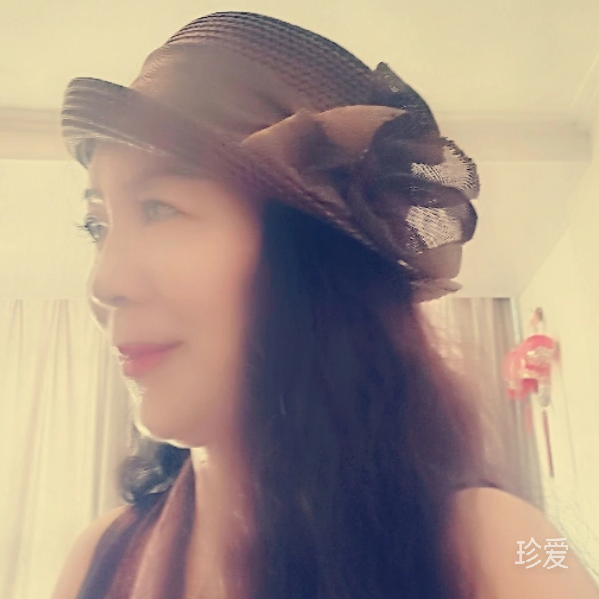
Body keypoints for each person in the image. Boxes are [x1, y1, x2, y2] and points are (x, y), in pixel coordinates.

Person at [51, 11, 599, 599]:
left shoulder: (493, 549)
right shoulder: (103, 557)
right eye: (96, 225)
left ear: (309, 263)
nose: (104, 282)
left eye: (160, 208)